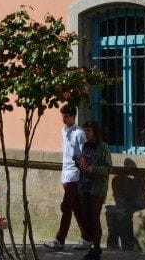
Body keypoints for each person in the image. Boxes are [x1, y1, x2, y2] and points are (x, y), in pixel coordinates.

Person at [44, 105, 90, 251]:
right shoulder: (64, 131)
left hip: (75, 175)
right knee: (76, 208)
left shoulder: (79, 133)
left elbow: (85, 154)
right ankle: (87, 238)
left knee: (66, 207)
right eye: (62, 116)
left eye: (66, 116)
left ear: (73, 116)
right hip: (66, 174)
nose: (63, 118)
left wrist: (83, 170)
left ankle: (60, 240)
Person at [75, 121, 112, 260]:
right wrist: (78, 162)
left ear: (95, 132)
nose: (86, 133)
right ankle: (92, 246)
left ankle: (96, 249)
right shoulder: (85, 146)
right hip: (85, 186)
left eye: (88, 130)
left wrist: (94, 169)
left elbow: (108, 168)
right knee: (86, 218)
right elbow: (83, 165)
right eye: (85, 130)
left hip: (96, 189)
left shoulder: (103, 148)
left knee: (94, 218)